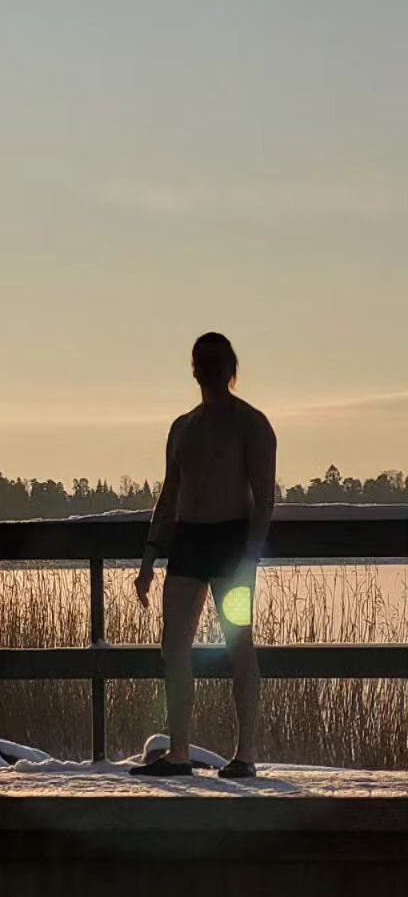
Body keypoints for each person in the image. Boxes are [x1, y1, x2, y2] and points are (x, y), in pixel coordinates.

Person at [130, 333, 276, 778]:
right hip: (189, 545)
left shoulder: (252, 424)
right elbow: (170, 492)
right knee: (173, 645)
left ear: (230, 367)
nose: (208, 368)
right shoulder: (183, 427)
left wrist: (250, 557)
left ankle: (245, 754)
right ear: (193, 368)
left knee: (238, 644)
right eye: (202, 361)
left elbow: (265, 499)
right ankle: (177, 754)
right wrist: (150, 559)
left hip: (231, 547)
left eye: (216, 361)